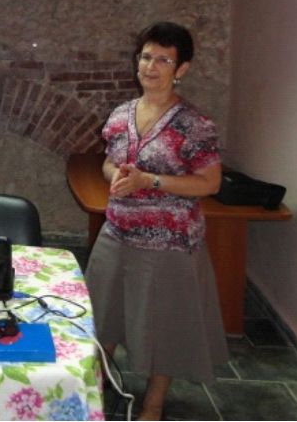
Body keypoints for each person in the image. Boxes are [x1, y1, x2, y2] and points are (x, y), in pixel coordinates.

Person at [85, 21, 228, 421]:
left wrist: (151, 180)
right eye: (146, 56)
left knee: (162, 328)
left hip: (168, 244)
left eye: (164, 59)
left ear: (181, 69)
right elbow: (108, 164)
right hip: (117, 234)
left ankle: (153, 403)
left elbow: (210, 182)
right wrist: (120, 178)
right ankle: (94, 387)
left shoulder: (193, 124)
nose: (151, 66)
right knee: (103, 316)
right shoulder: (121, 114)